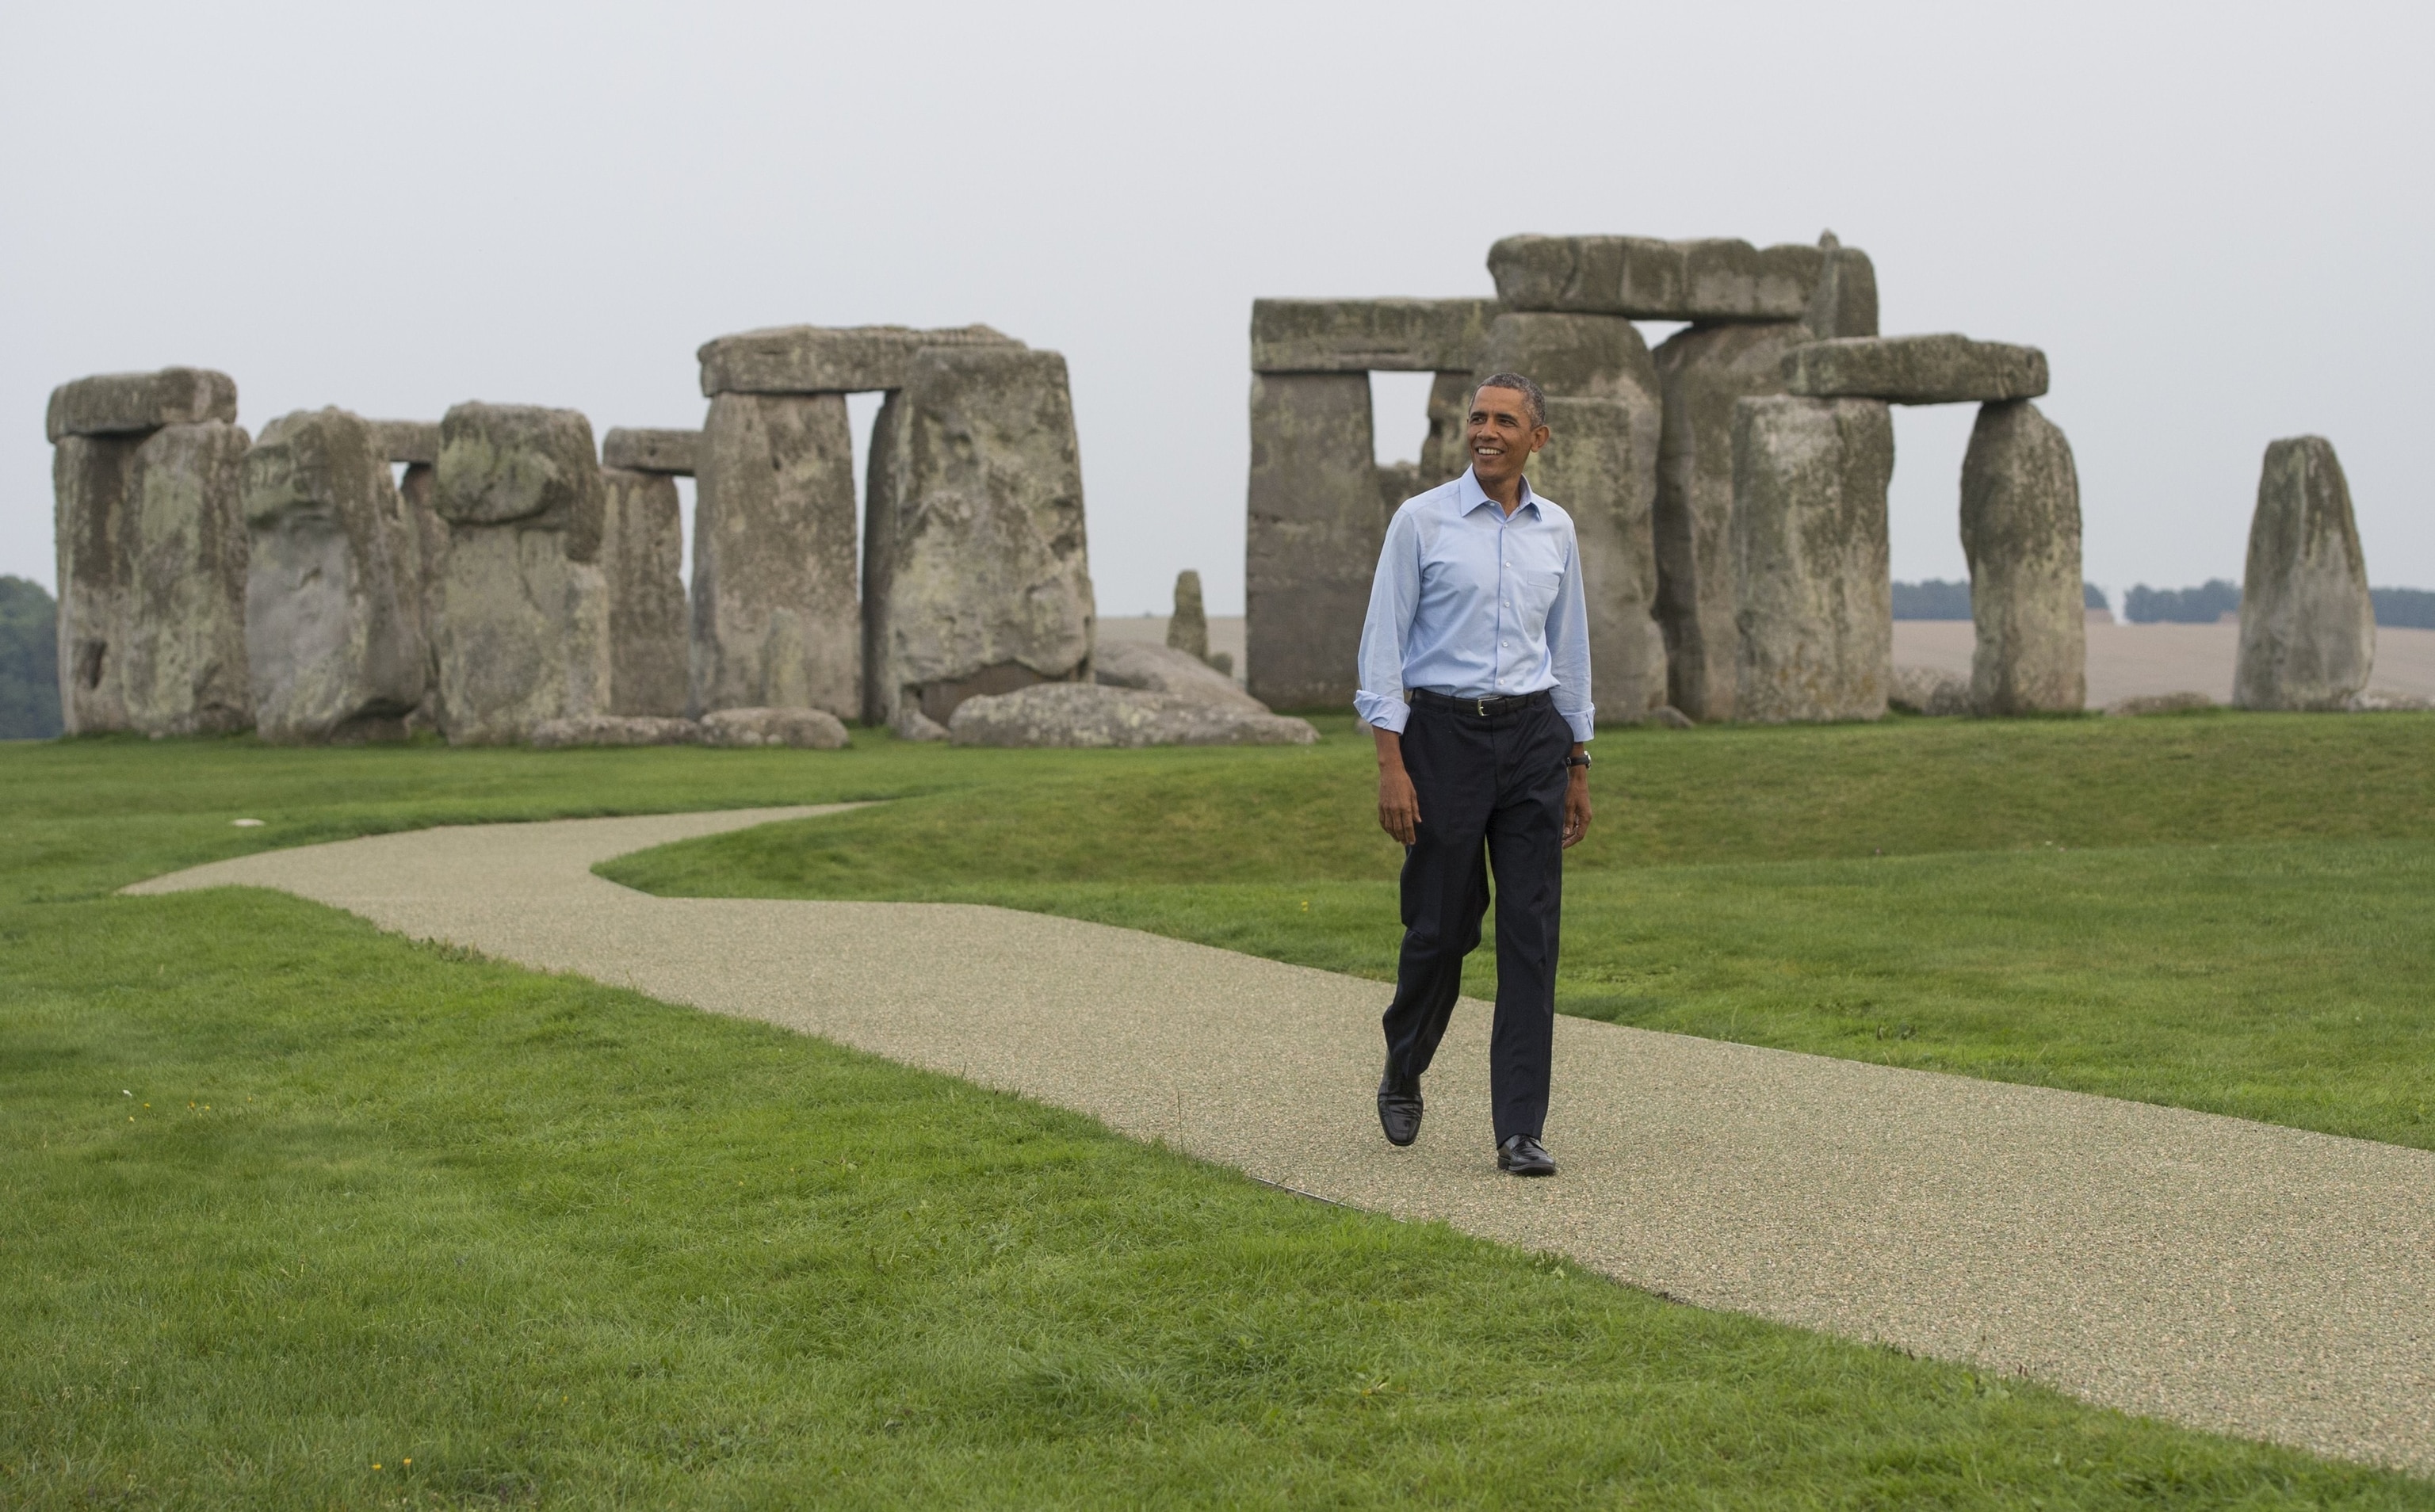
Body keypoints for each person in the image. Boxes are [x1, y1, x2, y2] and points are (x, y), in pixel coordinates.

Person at [1353, 372, 1593, 1177]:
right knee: (1442, 929)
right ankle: (1405, 1062)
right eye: (1478, 418)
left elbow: (1570, 654)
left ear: (1538, 439)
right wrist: (1391, 760)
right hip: (1443, 737)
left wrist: (1578, 760)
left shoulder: (1555, 531)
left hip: (1532, 737)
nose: (1485, 431)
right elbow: (1384, 646)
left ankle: (1518, 1128)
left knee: (1532, 938)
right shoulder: (1420, 522)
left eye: (1505, 421)